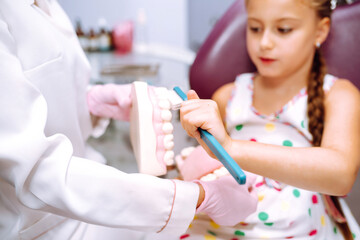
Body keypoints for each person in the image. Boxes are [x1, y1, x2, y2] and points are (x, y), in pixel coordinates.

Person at [0, 0, 258, 239]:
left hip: (93, 198)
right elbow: (34, 168)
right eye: (256, 28)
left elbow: (34, 95)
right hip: (45, 224)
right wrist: (199, 197)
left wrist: (90, 103)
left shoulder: (45, 5)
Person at [179, 0, 360, 239]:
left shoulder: (338, 95)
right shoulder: (227, 96)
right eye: (255, 28)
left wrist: (232, 148)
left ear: (320, 30)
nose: (264, 43)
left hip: (298, 228)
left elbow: (341, 176)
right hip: (218, 226)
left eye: (283, 29)